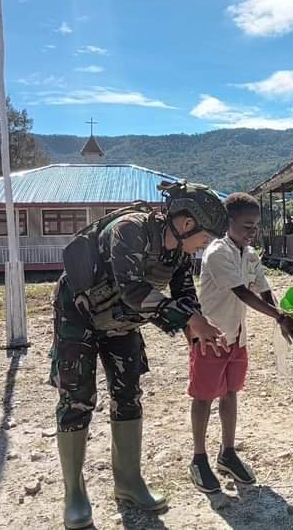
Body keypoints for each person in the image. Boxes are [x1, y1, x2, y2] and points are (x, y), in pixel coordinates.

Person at [49, 181, 229, 529]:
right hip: (79, 314)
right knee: (77, 398)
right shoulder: (130, 229)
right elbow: (132, 289)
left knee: (129, 392)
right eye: (206, 236)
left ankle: (128, 483)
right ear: (187, 223)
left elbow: (184, 293)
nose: (206, 244)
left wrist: (195, 328)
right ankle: (74, 493)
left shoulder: (178, 252)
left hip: (120, 320)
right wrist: (191, 320)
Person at [188, 193, 293, 493]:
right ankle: (199, 458)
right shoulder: (217, 253)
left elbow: (263, 288)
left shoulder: (249, 254)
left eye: (255, 226)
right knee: (203, 396)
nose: (251, 232)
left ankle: (227, 452)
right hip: (211, 336)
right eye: (245, 226)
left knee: (230, 392)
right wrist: (278, 317)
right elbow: (242, 293)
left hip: (236, 337)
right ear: (228, 223)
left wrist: (283, 312)